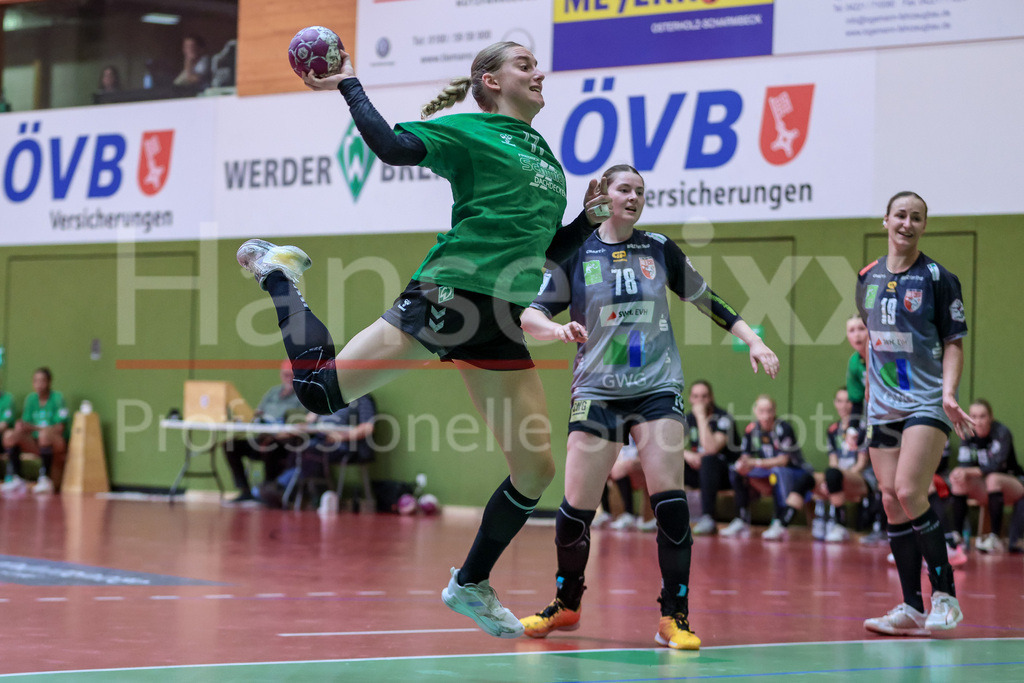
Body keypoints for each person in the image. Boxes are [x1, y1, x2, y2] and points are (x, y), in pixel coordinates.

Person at [236, 41, 611, 638]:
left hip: (501, 318)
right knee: (317, 392)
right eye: (523, 65)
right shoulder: (467, 131)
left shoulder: (544, 155)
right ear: (489, 81)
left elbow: (543, 256)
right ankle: (280, 274)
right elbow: (391, 147)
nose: (538, 72)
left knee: (536, 472)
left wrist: (586, 224)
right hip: (451, 296)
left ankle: (470, 583)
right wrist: (349, 84)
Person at [517, 164, 779, 650]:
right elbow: (529, 314)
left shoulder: (658, 249)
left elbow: (708, 299)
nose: (634, 197)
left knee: (671, 504)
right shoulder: (577, 252)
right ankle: (566, 602)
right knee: (575, 510)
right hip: (597, 391)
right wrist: (557, 331)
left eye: (640, 191)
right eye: (624, 189)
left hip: (657, 388)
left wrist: (753, 341)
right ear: (603, 195)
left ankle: (673, 616)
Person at [858, 191, 973, 637]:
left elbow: (955, 343)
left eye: (917, 218)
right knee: (889, 498)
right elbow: (872, 338)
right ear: (886, 220)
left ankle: (945, 597)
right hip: (882, 405)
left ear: (925, 226)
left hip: (927, 401)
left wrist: (948, 392)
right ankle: (910, 607)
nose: (907, 223)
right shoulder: (867, 277)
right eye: (900, 215)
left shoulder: (939, 278)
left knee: (909, 489)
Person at [721, 395, 814, 541]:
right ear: (755, 411)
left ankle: (779, 520)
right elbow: (746, 455)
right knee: (736, 471)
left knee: (777, 472)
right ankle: (742, 519)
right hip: (767, 471)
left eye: (769, 411)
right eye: (762, 411)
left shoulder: (783, 428)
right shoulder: (752, 429)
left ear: (775, 411)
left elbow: (783, 461)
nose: (766, 416)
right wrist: (743, 464)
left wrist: (755, 463)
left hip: (794, 471)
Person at [222, 360, 304, 506]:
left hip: (284, 443)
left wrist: (276, 435)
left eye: (292, 376)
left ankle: (267, 491)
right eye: (285, 375)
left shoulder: (302, 396)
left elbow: (303, 424)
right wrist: (246, 417)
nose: (288, 379)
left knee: (269, 445)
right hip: (262, 437)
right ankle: (244, 490)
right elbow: (257, 414)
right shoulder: (273, 393)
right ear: (281, 375)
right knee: (230, 445)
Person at [949, 399, 1022, 554]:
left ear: (991, 417)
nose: (978, 421)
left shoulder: (1002, 433)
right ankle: (957, 536)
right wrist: (960, 472)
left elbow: (995, 466)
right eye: (974, 416)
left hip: (1013, 485)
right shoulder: (967, 434)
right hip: (986, 488)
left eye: (982, 416)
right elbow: (964, 465)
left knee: (993, 478)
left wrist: (967, 471)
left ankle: (995, 538)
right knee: (957, 478)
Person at [809, 388, 875, 543]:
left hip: (862, 476)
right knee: (809, 478)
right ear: (835, 403)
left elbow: (861, 463)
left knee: (834, 476)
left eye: (848, 401)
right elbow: (833, 461)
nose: (844, 406)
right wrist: (830, 479)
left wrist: (840, 476)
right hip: (838, 475)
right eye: (839, 401)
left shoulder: (864, 428)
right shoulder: (833, 430)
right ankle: (781, 523)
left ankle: (839, 524)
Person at [684, 380, 740, 535]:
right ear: (690, 399)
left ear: (711, 398)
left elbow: (711, 448)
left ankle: (708, 517)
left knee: (709, 460)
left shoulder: (723, 418)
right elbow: (668, 445)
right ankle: (663, 516)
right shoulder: (688, 418)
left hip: (726, 475)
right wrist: (688, 455)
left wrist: (701, 417)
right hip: (701, 473)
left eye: (704, 396)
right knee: (669, 461)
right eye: (695, 396)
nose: (700, 401)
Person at [1, 368, 69, 495]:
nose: (39, 384)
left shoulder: (57, 398)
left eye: (42, 381)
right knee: (10, 435)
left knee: (45, 435)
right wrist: (21, 426)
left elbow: (59, 427)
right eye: (36, 381)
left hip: (55, 443)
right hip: (35, 442)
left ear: (49, 382)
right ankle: (16, 477)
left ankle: (45, 478)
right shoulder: (31, 399)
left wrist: (36, 428)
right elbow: (25, 424)